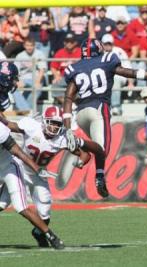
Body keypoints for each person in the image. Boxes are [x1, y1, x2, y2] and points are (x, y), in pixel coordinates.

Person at [63, 38, 147, 198]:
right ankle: (81, 145)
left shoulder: (75, 68)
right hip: (98, 108)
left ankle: (98, 174)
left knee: (98, 149)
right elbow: (134, 73)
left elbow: (68, 97)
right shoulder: (106, 60)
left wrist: (67, 127)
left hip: (80, 114)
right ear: (99, 49)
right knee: (103, 149)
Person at [0, 105, 101, 248]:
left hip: (39, 174)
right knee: (2, 203)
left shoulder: (62, 138)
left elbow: (85, 154)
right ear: (44, 121)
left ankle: (38, 232)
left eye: (57, 124)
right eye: (51, 122)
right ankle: (49, 235)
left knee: (45, 212)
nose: (53, 127)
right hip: (20, 168)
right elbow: (11, 125)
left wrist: (81, 162)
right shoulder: (32, 126)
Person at [0, 61, 64, 249]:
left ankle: (50, 235)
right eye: (13, 79)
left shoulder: (2, 130)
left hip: (9, 166)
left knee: (21, 206)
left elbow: (17, 151)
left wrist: (36, 168)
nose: (15, 82)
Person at [101, 33, 134, 116]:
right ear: (102, 44)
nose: (108, 46)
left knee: (114, 80)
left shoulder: (119, 51)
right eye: (106, 44)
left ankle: (116, 107)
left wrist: (131, 82)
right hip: (102, 78)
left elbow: (127, 67)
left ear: (113, 44)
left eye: (109, 44)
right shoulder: (98, 53)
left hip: (118, 77)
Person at [14, 37, 47, 111]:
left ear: (34, 45)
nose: (29, 47)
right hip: (23, 79)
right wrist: (18, 81)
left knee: (36, 90)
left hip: (36, 78)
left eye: (31, 45)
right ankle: (27, 111)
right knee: (13, 88)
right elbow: (15, 71)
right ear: (24, 46)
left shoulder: (39, 54)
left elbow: (42, 69)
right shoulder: (20, 55)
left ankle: (26, 111)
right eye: (27, 45)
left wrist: (37, 82)